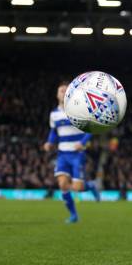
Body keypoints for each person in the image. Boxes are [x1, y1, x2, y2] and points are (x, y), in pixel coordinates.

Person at [43, 81, 100, 224]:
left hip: (77, 154)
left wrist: (82, 143)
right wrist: (50, 143)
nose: (63, 92)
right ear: (57, 95)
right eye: (60, 90)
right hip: (62, 154)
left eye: (65, 90)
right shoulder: (54, 114)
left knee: (77, 188)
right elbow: (54, 131)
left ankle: (90, 186)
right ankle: (74, 215)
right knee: (62, 184)